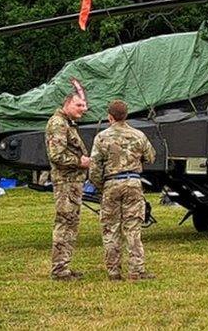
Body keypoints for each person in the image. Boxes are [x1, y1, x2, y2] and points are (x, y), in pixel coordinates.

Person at [89, 99, 156, 281]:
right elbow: (151, 157)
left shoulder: (102, 137)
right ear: (126, 116)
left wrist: (101, 186)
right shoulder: (138, 135)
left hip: (111, 183)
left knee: (111, 229)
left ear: (109, 117)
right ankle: (136, 271)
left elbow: (94, 168)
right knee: (133, 228)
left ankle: (113, 272)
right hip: (133, 183)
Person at [46, 92, 90, 281]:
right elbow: (56, 155)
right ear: (67, 104)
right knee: (65, 224)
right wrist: (80, 162)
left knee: (71, 224)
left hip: (72, 182)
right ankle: (59, 270)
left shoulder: (66, 123)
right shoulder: (58, 124)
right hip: (66, 182)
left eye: (84, 105)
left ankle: (64, 266)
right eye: (79, 105)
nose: (84, 109)